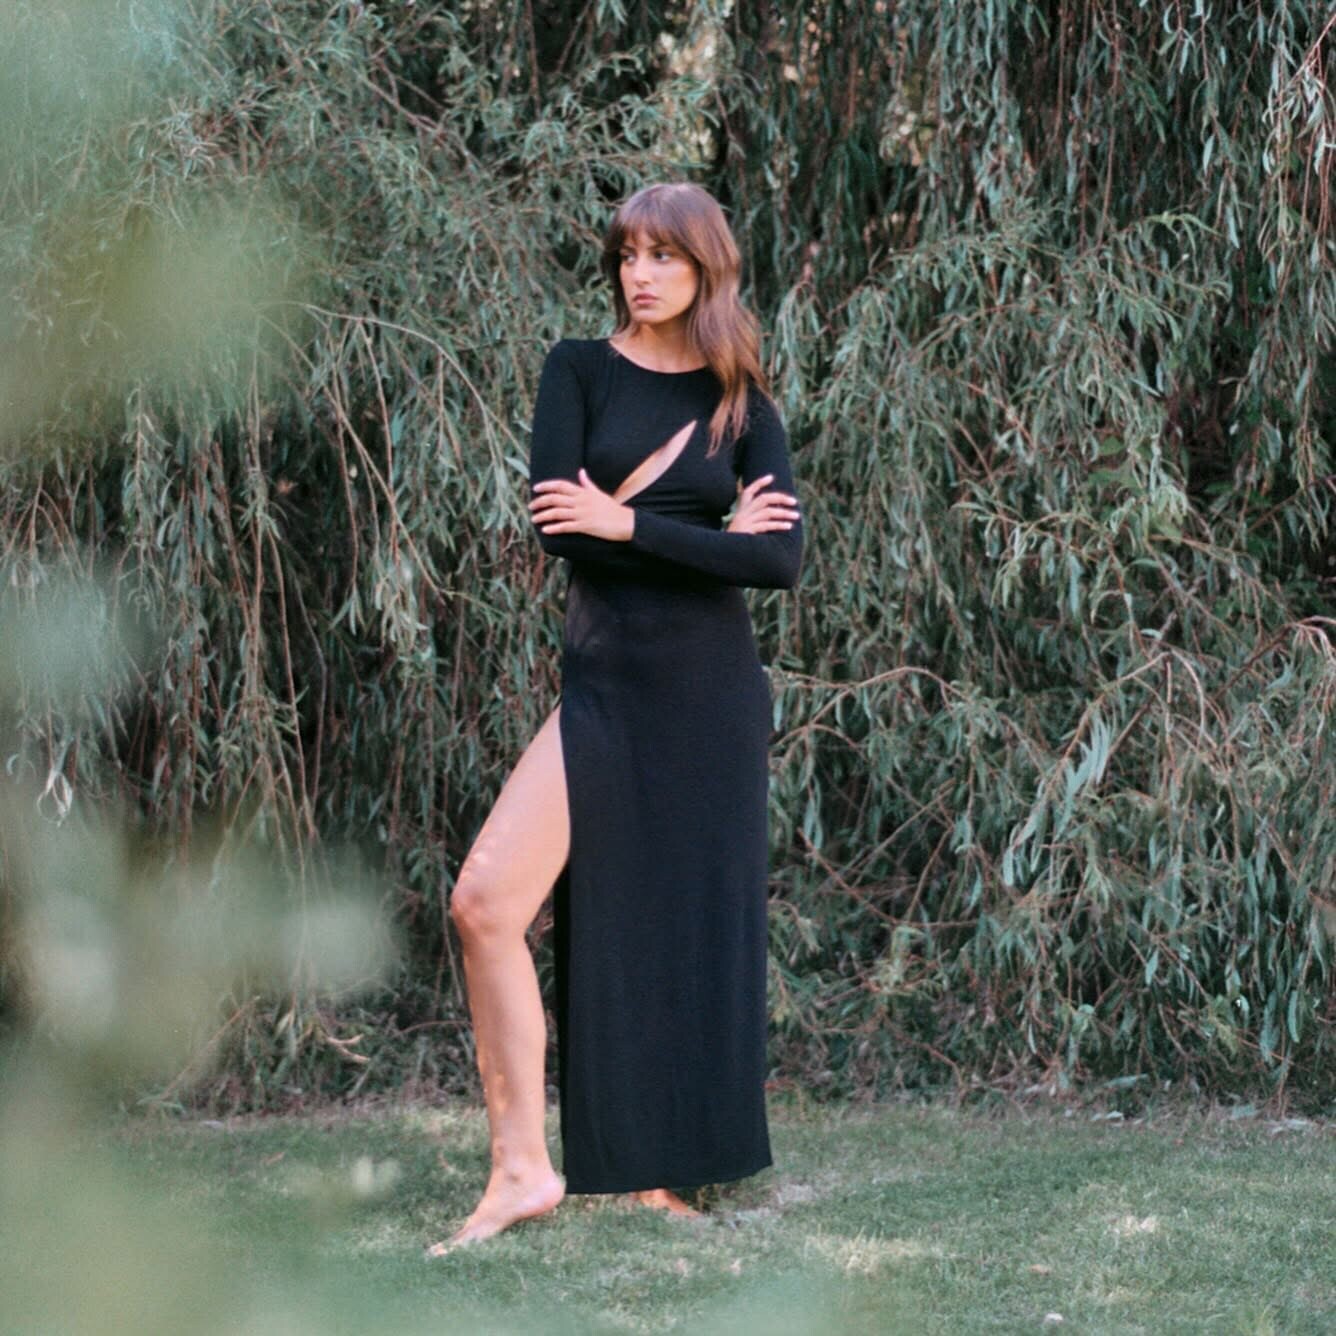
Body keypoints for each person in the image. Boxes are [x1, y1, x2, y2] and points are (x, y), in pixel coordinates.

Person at [428, 181, 803, 1254]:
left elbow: (778, 561)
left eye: (663, 256)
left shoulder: (742, 404)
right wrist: (705, 537)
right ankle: (521, 1169)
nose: (640, 274)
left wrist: (628, 522)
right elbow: (560, 527)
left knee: (671, 927)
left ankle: (655, 1170)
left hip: (708, 695)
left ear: (706, 267)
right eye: (628, 254)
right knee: (485, 901)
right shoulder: (578, 370)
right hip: (605, 682)